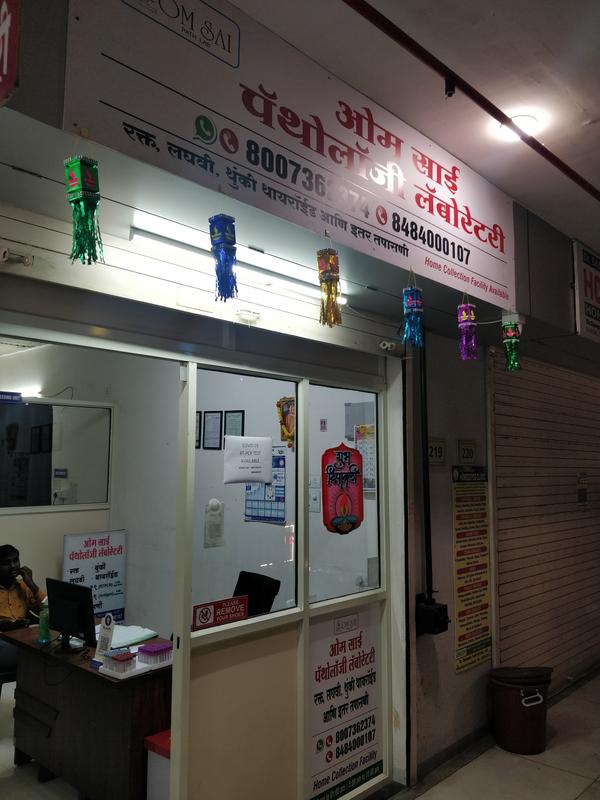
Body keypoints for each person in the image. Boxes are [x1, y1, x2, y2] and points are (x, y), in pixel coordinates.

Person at [0, 545, 46, 670]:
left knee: (53, 646)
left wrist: (32, 584)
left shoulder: (24, 587)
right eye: (6, 563)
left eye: (15, 560)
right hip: (2, 640)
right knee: (39, 655)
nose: (13, 566)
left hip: (21, 638)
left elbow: (48, 610)